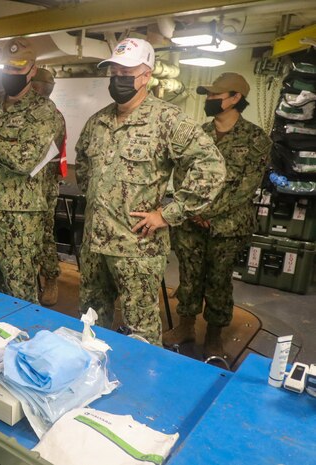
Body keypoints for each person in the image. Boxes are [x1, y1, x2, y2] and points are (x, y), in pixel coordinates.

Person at [75, 38, 225, 345]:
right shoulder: (97, 121)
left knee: (140, 332)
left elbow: (212, 167)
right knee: (90, 322)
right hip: (94, 245)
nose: (118, 77)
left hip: (137, 248)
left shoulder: (168, 120)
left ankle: (140, 391)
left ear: (146, 75)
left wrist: (168, 214)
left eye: (127, 71)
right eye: (114, 70)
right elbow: (83, 165)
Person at [164, 73, 271, 357]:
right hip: (191, 223)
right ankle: (186, 325)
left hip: (227, 226)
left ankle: (214, 335)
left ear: (236, 98)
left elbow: (247, 188)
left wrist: (208, 212)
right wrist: (193, 210)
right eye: (209, 95)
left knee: (218, 281)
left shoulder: (255, 139)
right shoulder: (198, 133)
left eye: (216, 96)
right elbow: (182, 174)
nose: (209, 100)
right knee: (188, 276)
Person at [0, 37, 64, 303]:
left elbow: (25, 160)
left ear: (32, 70)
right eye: (7, 68)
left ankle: (22, 340)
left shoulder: (44, 112)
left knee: (18, 287)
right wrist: (3, 147)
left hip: (19, 213)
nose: (11, 74)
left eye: (18, 69)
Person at [31, 68, 67, 306]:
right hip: (23, 188)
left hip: (44, 187)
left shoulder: (52, 116)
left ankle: (51, 278)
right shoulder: (25, 113)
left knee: (44, 235)